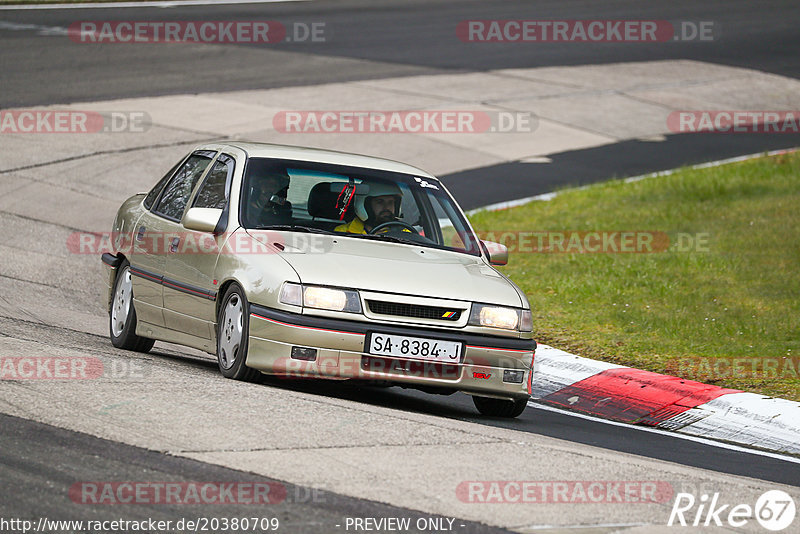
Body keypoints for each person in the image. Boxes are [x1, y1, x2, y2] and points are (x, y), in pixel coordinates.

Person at [335, 182, 403, 234]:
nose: (387, 207)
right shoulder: (342, 232)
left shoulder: (406, 234)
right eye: (380, 202)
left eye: (390, 202)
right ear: (365, 205)